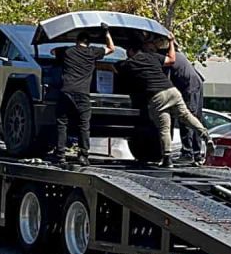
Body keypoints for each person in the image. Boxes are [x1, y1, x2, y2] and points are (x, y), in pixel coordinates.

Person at [116, 36, 214, 168]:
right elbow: (171, 60)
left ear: (130, 51)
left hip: (161, 95)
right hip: (173, 91)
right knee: (188, 117)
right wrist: (172, 41)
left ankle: (172, 157)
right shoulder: (156, 58)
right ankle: (206, 136)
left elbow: (115, 68)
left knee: (164, 128)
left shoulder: (130, 63)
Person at [53, 26, 115, 166]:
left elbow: (52, 52)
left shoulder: (68, 51)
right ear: (88, 42)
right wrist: (106, 32)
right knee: (84, 124)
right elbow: (111, 48)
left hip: (66, 91)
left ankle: (60, 156)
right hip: (82, 93)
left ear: (77, 41)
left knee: (62, 123)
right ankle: (83, 156)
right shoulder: (92, 52)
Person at [166, 50, 206, 165]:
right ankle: (197, 154)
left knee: (186, 117)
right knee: (195, 119)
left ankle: (187, 153)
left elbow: (165, 82)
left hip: (189, 86)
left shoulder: (167, 58)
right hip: (196, 83)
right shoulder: (177, 54)